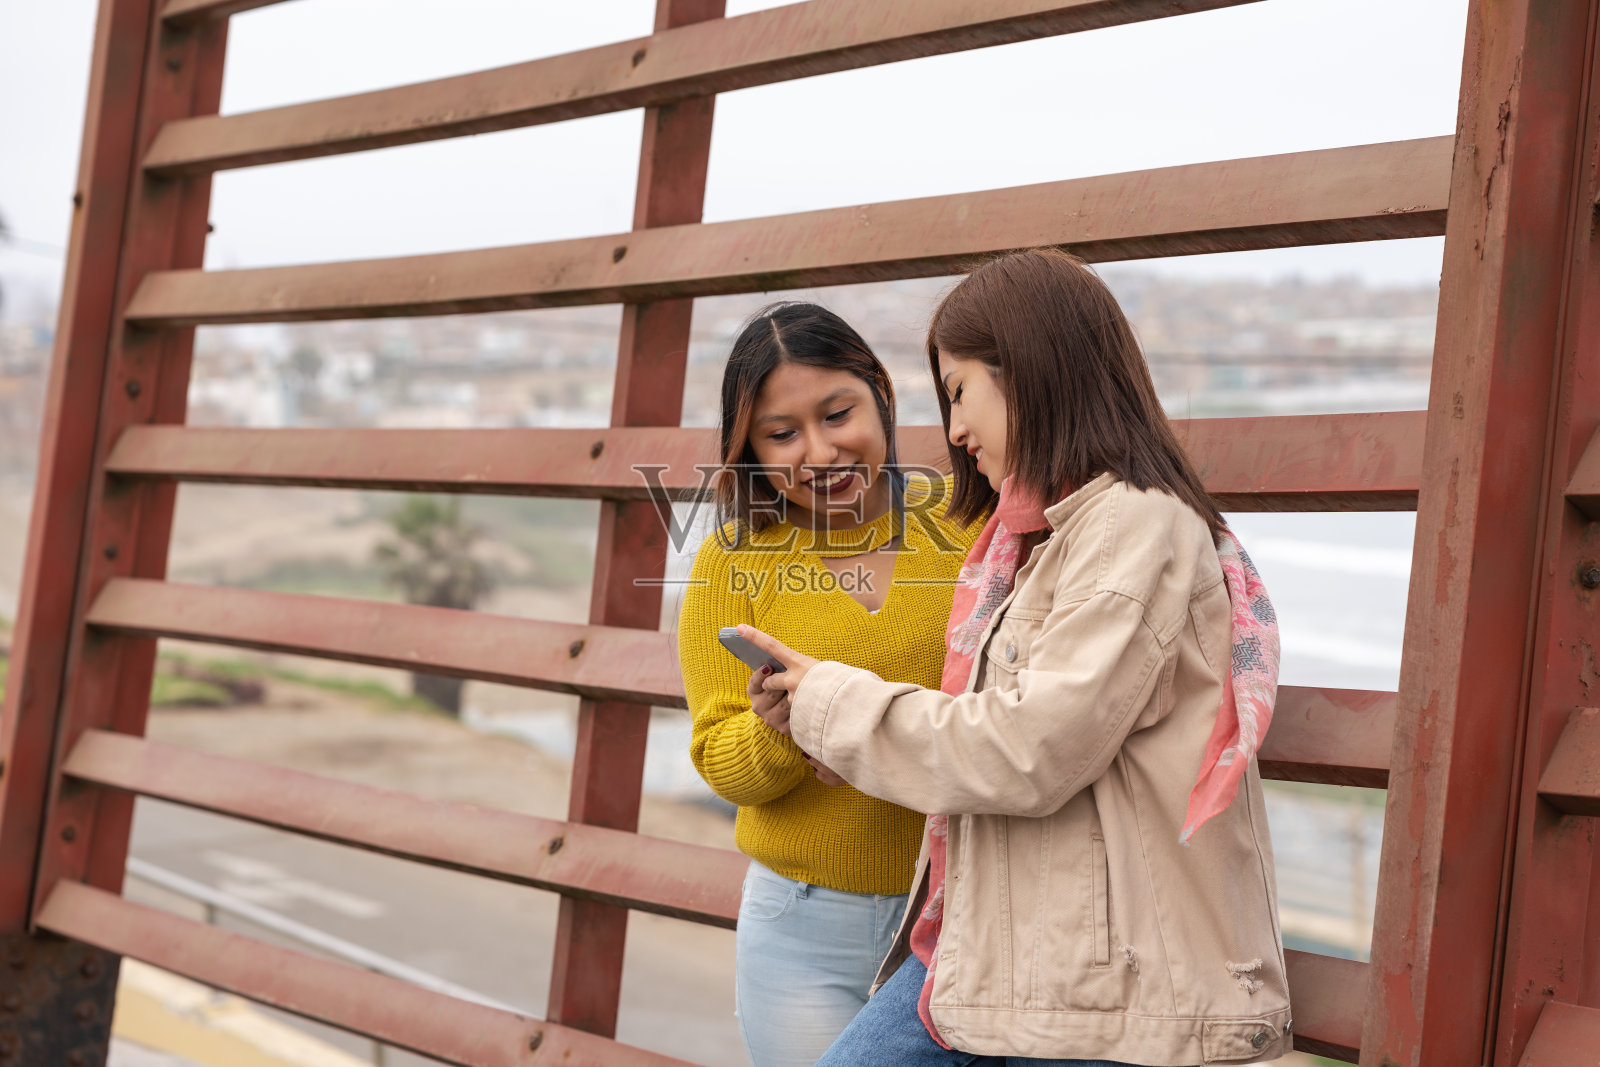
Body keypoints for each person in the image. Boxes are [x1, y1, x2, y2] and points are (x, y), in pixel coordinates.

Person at [737, 251, 1292, 1066]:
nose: (955, 429)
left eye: (961, 390)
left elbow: (1031, 745)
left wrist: (835, 705)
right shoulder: (1035, 540)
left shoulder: (1131, 528)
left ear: (1031, 372)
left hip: (1095, 977)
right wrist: (829, 729)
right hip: (1006, 948)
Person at [678, 302, 982, 1067]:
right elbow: (719, 757)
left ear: (879, 389)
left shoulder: (969, 523)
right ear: (748, 447)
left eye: (837, 412)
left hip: (962, 913)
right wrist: (778, 729)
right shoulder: (731, 560)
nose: (820, 450)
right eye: (782, 434)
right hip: (801, 929)